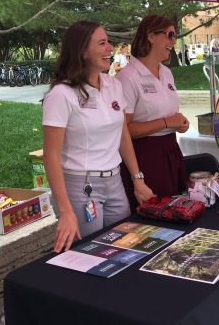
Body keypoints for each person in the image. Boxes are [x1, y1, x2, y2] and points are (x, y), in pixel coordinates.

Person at [42, 21, 153, 253]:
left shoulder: (113, 85)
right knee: (91, 254)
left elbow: (122, 134)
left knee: (121, 249)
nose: (110, 48)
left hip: (115, 182)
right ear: (82, 50)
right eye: (102, 43)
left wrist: (137, 178)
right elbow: (50, 155)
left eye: (108, 42)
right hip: (81, 185)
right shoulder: (61, 95)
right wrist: (65, 211)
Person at [116, 15, 190, 210]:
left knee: (177, 213)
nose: (173, 41)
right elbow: (124, 130)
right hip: (146, 156)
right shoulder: (128, 77)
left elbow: (171, 115)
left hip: (171, 151)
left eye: (175, 36)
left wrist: (180, 123)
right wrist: (166, 122)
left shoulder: (166, 72)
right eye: (170, 35)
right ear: (150, 36)